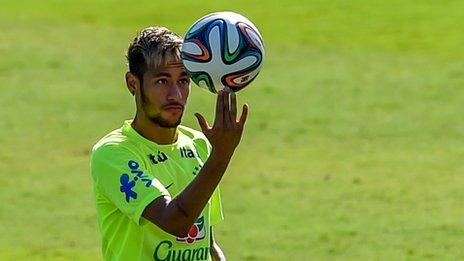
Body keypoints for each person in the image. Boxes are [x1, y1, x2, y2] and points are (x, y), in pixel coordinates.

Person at [90, 26, 248, 261]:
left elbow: (207, 244)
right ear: (133, 83)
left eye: (183, 80)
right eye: (162, 81)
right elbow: (175, 221)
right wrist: (221, 156)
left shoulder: (198, 145)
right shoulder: (113, 153)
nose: (175, 94)